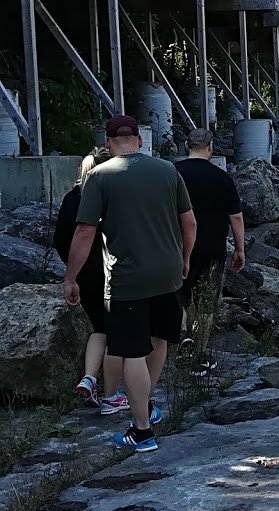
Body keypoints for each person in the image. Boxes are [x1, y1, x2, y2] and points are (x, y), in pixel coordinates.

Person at [64, 115, 196, 453]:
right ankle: (147, 405)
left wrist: (71, 276)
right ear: (139, 140)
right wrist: (184, 258)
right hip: (168, 273)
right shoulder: (168, 170)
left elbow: (84, 232)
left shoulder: (99, 176)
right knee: (160, 339)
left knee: (131, 351)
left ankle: (141, 431)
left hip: (127, 277)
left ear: (108, 144)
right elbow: (189, 222)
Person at [53, 147, 126, 413]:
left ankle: (89, 377)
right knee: (118, 332)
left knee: (99, 327)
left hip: (85, 272)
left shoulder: (72, 198)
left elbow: (61, 239)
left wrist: (72, 272)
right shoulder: (116, 196)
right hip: (118, 269)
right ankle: (112, 394)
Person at [175, 128, 245, 360]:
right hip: (213, 248)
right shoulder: (222, 178)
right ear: (210, 147)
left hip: (179, 246)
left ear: (186, 145)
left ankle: (183, 333)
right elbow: (235, 216)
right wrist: (240, 248)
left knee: (179, 294)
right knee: (205, 301)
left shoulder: (173, 173)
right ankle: (200, 350)